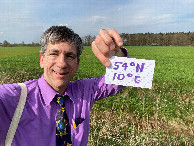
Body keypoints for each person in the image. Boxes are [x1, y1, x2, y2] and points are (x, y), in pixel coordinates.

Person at [0, 26, 128, 146]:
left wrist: (119, 57)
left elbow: (124, 79)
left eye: (70, 56)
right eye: (54, 54)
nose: (62, 64)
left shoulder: (84, 91)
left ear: (77, 64)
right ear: (42, 60)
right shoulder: (14, 97)